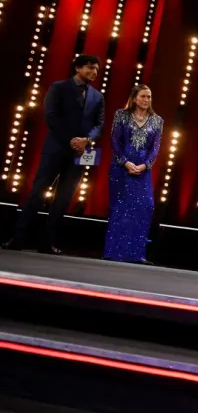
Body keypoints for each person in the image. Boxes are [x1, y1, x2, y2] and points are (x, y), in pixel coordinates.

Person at [4, 55, 105, 254]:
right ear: (77, 67)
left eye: (97, 70)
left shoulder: (98, 96)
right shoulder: (58, 87)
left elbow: (99, 124)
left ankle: (47, 242)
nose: (94, 72)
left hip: (80, 153)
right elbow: (51, 116)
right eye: (90, 68)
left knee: (64, 199)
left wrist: (86, 140)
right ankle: (18, 237)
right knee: (37, 193)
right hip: (56, 149)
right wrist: (72, 140)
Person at [103, 85, 163, 264]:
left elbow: (155, 147)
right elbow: (114, 141)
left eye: (149, 97)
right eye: (143, 96)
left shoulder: (157, 120)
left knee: (145, 207)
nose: (146, 100)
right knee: (120, 208)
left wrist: (145, 165)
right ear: (135, 98)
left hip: (143, 170)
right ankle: (114, 252)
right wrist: (125, 162)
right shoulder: (121, 115)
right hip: (122, 167)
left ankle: (136, 254)